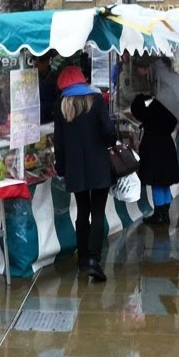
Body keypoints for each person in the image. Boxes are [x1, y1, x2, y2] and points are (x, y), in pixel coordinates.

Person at [54, 65, 116, 283]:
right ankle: (94, 260)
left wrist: (61, 169)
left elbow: (59, 145)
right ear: (82, 80)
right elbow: (109, 132)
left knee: (82, 211)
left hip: (75, 169)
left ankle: (82, 258)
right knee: (98, 212)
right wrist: (110, 141)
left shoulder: (61, 106)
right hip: (99, 165)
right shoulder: (97, 101)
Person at [131, 58, 179, 225]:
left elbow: (142, 113)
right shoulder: (173, 94)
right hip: (166, 143)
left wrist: (139, 99)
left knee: (157, 181)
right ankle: (164, 212)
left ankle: (160, 214)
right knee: (164, 180)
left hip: (155, 145)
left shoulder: (160, 98)